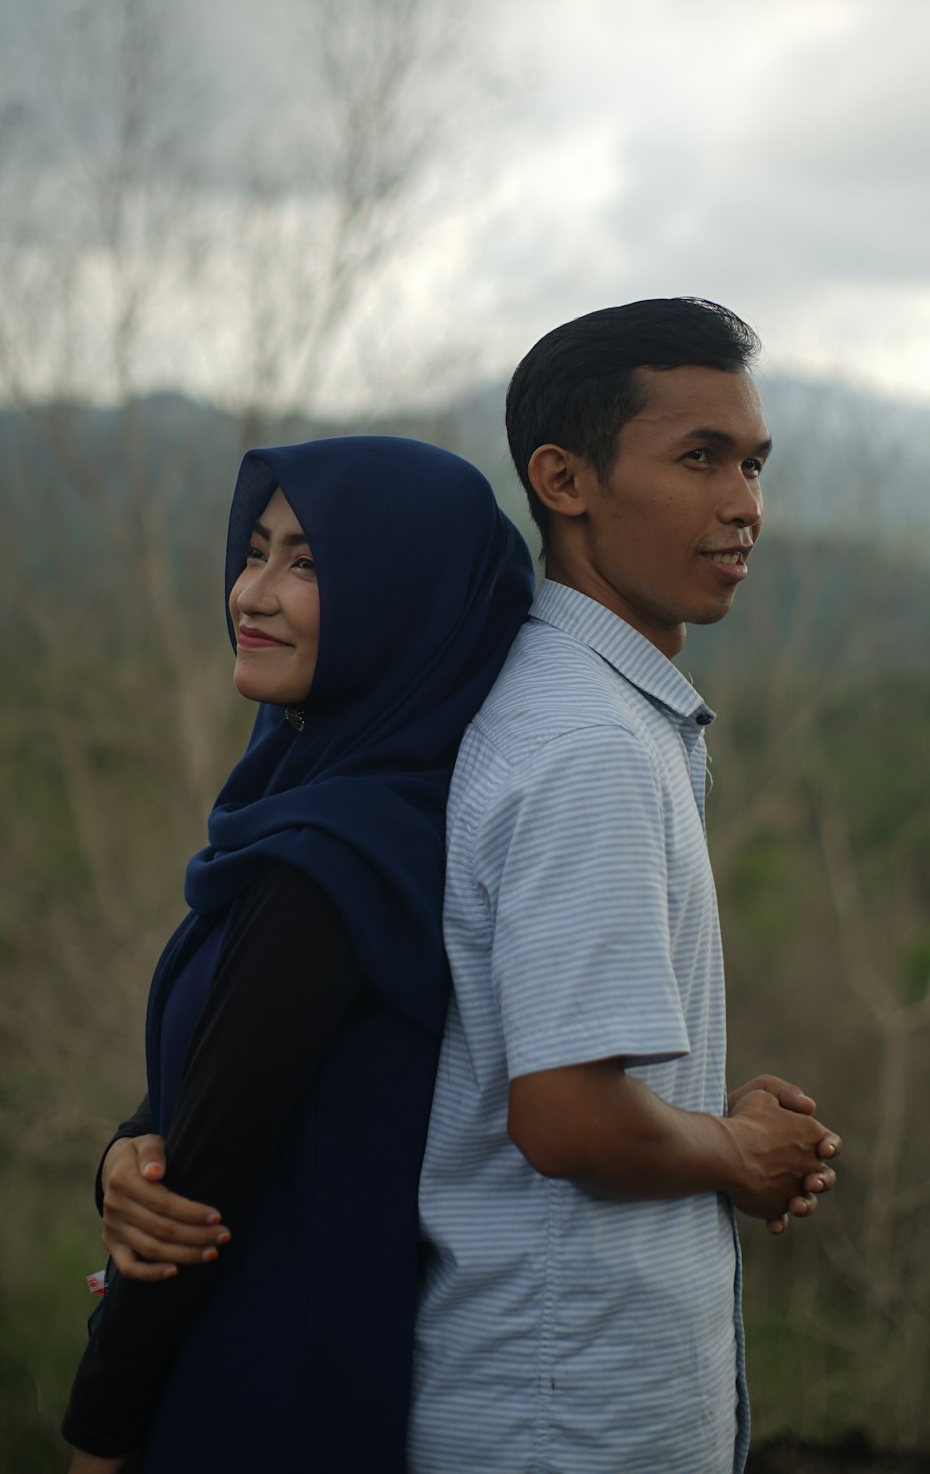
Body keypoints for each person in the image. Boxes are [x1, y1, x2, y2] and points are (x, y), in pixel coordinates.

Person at [408, 299, 842, 1474]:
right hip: (561, 1412)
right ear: (564, 478)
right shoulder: (585, 742)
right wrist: (737, 1151)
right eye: (697, 458)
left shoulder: (605, 709)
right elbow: (568, 1117)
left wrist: (709, 1109)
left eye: (751, 463)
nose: (743, 503)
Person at [61, 434, 534, 1474]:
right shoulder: (369, 807)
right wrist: (127, 1147)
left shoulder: (328, 865)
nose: (254, 593)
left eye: (310, 564)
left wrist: (97, 1436)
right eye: (256, 550)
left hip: (253, 1391)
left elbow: (196, 1215)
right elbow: (236, 1089)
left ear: (404, 603)